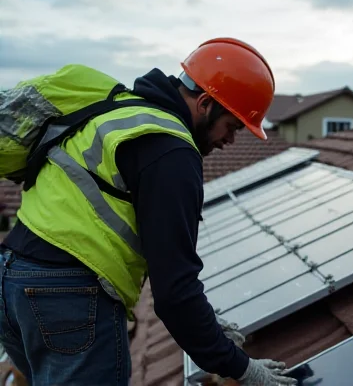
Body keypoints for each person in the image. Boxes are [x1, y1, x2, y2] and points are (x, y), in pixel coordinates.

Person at [0, 37, 297, 385]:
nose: (230, 141)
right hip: (69, 300)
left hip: (12, 283)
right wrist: (241, 368)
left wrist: (208, 326)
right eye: (231, 126)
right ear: (204, 103)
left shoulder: (120, 113)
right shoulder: (172, 153)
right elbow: (175, 293)